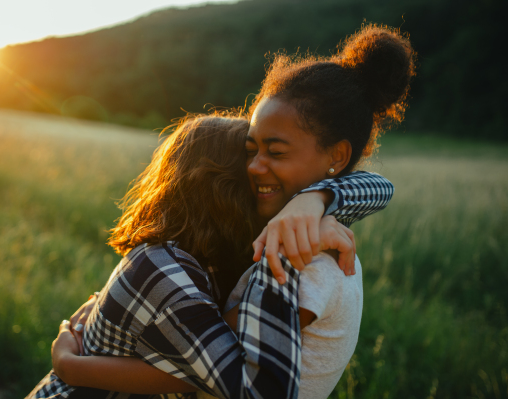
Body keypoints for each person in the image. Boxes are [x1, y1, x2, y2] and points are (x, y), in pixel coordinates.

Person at [29, 24, 412, 398]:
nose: (255, 168)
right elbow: (234, 358)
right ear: (219, 189)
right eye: (249, 153)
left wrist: (315, 200)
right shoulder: (194, 264)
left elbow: (379, 186)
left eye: (273, 152)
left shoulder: (292, 251)